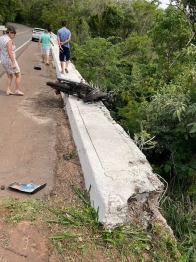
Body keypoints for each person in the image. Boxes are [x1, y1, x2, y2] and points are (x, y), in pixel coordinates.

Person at [0, 26, 24, 96]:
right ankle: (17, 90)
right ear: (10, 33)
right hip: (10, 60)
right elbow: (10, 53)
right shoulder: (8, 41)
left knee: (9, 76)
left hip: (3, 60)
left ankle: (8, 90)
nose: (14, 36)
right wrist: (14, 63)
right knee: (18, 75)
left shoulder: (1, 38)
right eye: (14, 34)